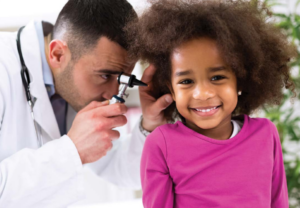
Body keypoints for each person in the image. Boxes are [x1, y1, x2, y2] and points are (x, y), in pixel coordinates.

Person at [0, 0, 173, 207]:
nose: (112, 93)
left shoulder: (72, 83)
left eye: (122, 79)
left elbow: (121, 171)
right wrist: (72, 151)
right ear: (58, 54)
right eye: (105, 75)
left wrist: (150, 124)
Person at [126, 0, 297, 207]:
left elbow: (278, 202)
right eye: (186, 81)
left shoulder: (265, 134)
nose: (203, 93)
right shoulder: (162, 145)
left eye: (217, 77)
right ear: (171, 89)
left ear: (240, 81)